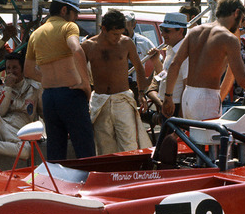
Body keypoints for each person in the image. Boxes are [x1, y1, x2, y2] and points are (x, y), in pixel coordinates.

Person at [162, 0, 245, 121]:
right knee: (210, 140)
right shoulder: (229, 39)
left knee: (191, 137)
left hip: (188, 95)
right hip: (207, 98)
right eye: (242, 19)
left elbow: (175, 64)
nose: (240, 25)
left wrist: (168, 96)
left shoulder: (195, 31)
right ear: (237, 13)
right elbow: (242, 79)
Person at [24, 0, 95, 160]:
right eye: (75, 12)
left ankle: (55, 184)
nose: (76, 17)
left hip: (49, 97)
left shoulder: (36, 34)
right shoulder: (68, 27)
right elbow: (77, 50)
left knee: (55, 150)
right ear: (64, 10)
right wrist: (85, 84)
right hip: (71, 94)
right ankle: (88, 184)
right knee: (85, 149)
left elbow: (28, 70)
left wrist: (49, 79)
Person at [81, 9, 151, 155]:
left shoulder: (126, 43)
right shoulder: (88, 46)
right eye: (115, 34)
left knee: (129, 141)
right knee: (103, 143)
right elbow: (81, 75)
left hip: (123, 99)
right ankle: (109, 175)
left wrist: (142, 93)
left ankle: (131, 174)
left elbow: (139, 68)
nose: (118, 37)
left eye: (120, 33)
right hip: (100, 100)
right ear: (104, 29)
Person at [146, 12, 189, 116]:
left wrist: (181, 117)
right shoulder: (170, 49)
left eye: (167, 31)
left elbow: (186, 87)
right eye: (162, 30)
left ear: (181, 31)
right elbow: (165, 76)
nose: (162, 34)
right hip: (168, 104)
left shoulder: (186, 54)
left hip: (176, 106)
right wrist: (156, 61)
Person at [124, 12, 163, 85]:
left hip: (137, 86)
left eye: (126, 24)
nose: (123, 29)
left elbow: (160, 63)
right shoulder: (113, 42)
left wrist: (149, 83)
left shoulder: (144, 42)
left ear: (134, 24)